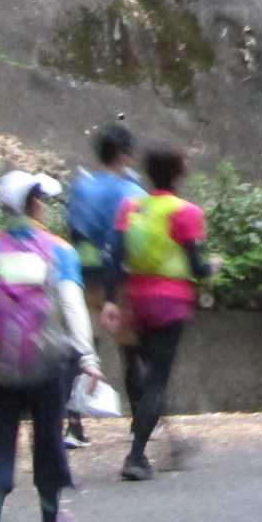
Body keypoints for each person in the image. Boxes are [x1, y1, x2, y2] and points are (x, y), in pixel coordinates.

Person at [0, 171, 102, 522]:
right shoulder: (59, 251)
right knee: (48, 440)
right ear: (34, 204)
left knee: (0, 444)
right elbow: (72, 306)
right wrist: (88, 357)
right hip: (47, 363)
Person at [100, 144, 222, 481]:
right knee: (157, 379)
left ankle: (159, 439)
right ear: (179, 172)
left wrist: (110, 300)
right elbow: (197, 267)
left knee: (143, 371)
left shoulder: (132, 206)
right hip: (170, 303)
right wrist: (213, 266)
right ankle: (136, 456)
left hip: (135, 300)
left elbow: (113, 257)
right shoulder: (187, 212)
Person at [65, 121, 147, 448]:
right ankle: (140, 421)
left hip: (85, 274)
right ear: (125, 154)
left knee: (85, 349)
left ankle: (73, 425)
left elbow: (75, 230)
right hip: (121, 279)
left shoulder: (81, 188)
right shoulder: (133, 192)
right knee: (131, 352)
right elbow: (138, 237)